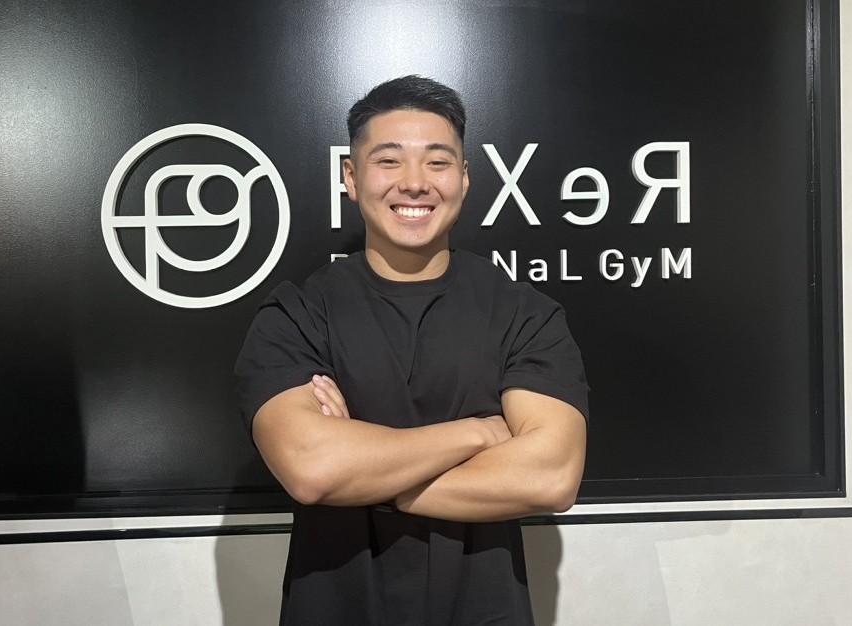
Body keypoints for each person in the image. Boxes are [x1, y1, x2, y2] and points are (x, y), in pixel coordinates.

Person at [234, 75, 589, 625]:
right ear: (351, 177)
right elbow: (313, 467)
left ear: (464, 177)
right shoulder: (297, 314)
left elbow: (551, 477)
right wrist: (477, 433)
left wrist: (363, 475)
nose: (415, 183)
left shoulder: (524, 314)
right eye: (389, 161)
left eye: (438, 162)